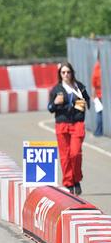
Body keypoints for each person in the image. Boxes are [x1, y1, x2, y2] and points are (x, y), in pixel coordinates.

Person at [48, 62, 90, 196]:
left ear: (72, 73)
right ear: (60, 74)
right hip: (62, 124)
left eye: (68, 72)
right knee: (65, 156)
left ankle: (76, 179)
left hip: (77, 123)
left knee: (75, 153)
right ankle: (68, 183)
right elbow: (50, 108)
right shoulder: (56, 89)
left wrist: (82, 104)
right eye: (63, 72)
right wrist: (55, 103)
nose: (66, 75)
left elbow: (87, 102)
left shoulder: (80, 87)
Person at [91, 56, 104, 136]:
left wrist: (93, 95)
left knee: (99, 113)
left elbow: (93, 84)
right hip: (102, 94)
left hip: (99, 94)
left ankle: (99, 131)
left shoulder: (96, 68)